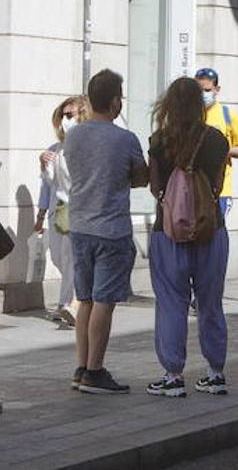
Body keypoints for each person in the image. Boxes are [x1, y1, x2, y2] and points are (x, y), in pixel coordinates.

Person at [63, 69, 149, 394]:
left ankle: (81, 367)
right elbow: (140, 178)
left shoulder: (74, 136)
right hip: (111, 229)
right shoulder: (124, 138)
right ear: (115, 101)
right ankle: (96, 371)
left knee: (84, 300)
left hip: (80, 226)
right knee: (104, 302)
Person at [144, 77, 231, 397]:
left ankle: (172, 375)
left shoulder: (158, 140)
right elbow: (217, 186)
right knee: (210, 301)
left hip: (167, 233)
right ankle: (215, 372)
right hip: (212, 229)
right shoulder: (218, 140)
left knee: (171, 302)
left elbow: (155, 188)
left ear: (168, 104)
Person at [35, 95, 87, 326]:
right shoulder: (56, 149)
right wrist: (41, 213)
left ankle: (70, 304)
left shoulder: (87, 147)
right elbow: (48, 184)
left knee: (72, 259)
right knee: (59, 257)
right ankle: (71, 301)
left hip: (80, 209)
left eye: (70, 115)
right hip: (60, 210)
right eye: (63, 116)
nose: (65, 121)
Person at [194, 68, 238, 219]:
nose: (202, 95)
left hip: (220, 189)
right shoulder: (190, 114)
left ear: (216, 89)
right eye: (198, 90)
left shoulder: (227, 115)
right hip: (193, 188)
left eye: (206, 90)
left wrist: (222, 151)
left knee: (216, 232)